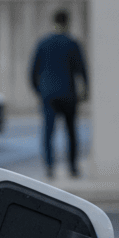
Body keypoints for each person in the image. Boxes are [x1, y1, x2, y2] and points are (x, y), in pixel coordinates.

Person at [29, 9, 88, 178]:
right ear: (67, 22)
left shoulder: (43, 43)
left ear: (53, 22)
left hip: (48, 95)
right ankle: (73, 167)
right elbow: (82, 70)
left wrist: (39, 91)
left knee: (48, 132)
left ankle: (49, 167)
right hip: (68, 94)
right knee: (71, 132)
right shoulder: (72, 43)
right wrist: (85, 91)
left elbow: (32, 71)